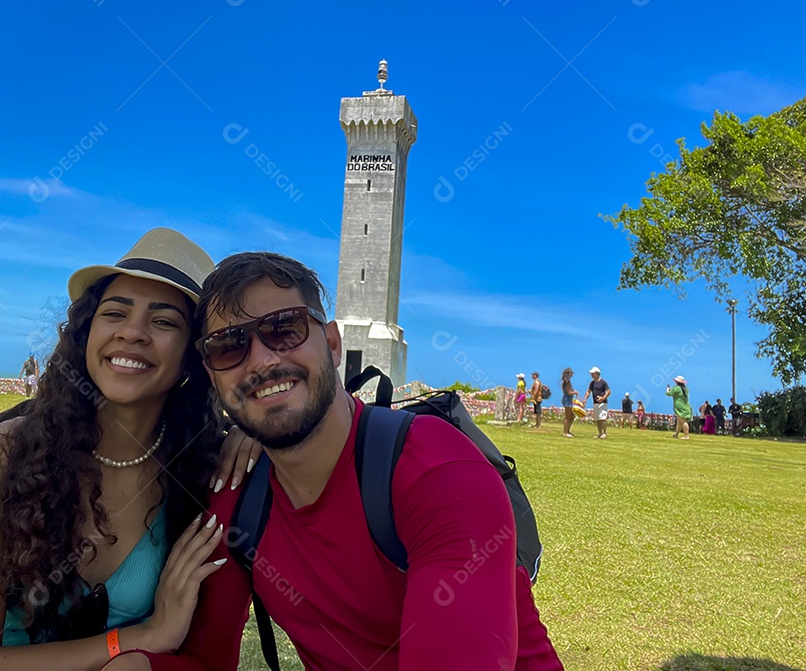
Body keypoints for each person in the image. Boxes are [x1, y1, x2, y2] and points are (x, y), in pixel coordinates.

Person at [110, 251, 564, 670]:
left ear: (331, 343)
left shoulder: (438, 471)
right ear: (212, 374)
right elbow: (206, 661)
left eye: (284, 328)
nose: (261, 361)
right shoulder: (238, 498)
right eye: (229, 345)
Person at [0, 229, 260, 669]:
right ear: (87, 333)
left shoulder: (200, 470)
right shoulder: (4, 455)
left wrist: (256, 433)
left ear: (193, 357)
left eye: (164, 321)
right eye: (115, 313)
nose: (132, 332)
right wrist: (143, 636)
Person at [584, 366, 611, 439]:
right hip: (595, 403)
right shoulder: (592, 383)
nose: (591, 375)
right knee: (597, 419)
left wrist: (603, 398)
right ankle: (600, 433)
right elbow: (588, 391)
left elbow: (608, 391)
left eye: (593, 373)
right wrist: (585, 398)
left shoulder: (603, 382)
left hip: (603, 403)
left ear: (597, 374)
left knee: (603, 418)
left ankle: (604, 433)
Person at [560, 367, 577, 437]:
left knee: (572, 416)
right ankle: (565, 432)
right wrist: (575, 392)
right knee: (568, 416)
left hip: (567, 400)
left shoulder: (566, 382)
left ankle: (568, 430)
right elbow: (569, 392)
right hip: (567, 400)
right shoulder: (567, 382)